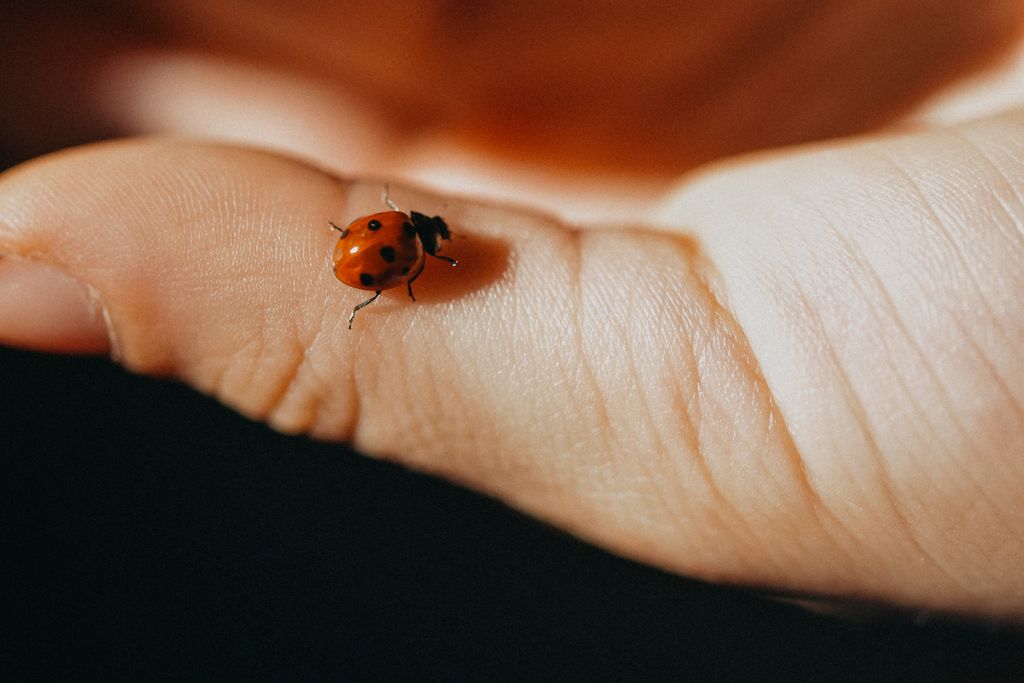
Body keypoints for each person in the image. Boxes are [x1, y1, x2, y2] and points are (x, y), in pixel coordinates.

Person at [1, 1, 1023, 619]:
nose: (421, 250)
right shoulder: (402, 238)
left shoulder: (404, 239)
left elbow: (394, 251)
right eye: (417, 247)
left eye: (416, 248)